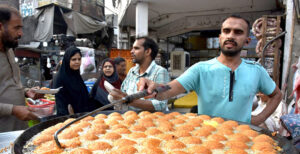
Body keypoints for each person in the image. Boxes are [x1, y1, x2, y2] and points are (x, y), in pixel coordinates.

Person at [138, 15, 282, 126]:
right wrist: (154, 87)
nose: (231, 36)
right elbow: (169, 89)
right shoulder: (201, 69)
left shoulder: (256, 71)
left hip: (243, 139)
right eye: (226, 31)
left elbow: (276, 95)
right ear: (220, 38)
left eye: (238, 32)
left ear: (247, 40)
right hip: (208, 140)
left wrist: (259, 118)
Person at [0, 5, 40, 132]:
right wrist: (13, 109)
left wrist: (26, 92)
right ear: (0, 27)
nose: (21, 33)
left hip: (16, 130)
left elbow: (8, 85)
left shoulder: (9, 50)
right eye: (16, 28)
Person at [110, 36, 170, 111]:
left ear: (147, 51)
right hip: (131, 118)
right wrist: (117, 95)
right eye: (132, 48)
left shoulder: (160, 72)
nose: (131, 51)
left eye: (136, 48)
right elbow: (123, 93)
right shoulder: (132, 71)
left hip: (151, 120)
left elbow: (161, 104)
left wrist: (128, 100)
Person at [53, 46, 95, 116]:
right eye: (74, 59)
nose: (77, 62)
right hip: (69, 119)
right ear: (67, 60)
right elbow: (61, 103)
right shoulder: (60, 78)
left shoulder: (76, 75)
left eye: (79, 59)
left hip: (82, 116)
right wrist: (69, 119)